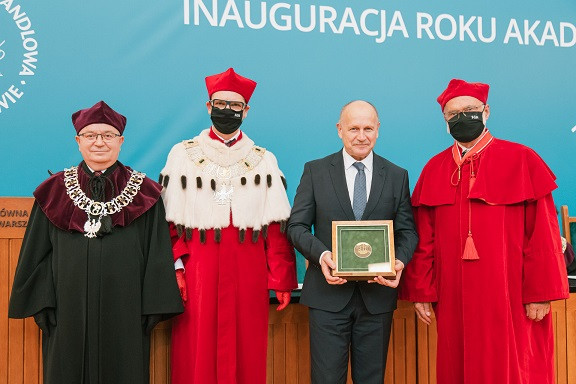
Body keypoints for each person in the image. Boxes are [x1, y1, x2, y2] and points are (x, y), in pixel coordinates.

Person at [399, 79, 569, 384]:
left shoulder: (522, 159)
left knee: (513, 368)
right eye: (453, 114)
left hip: (511, 296)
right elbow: (424, 240)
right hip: (453, 298)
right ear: (445, 121)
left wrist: (540, 293)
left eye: (470, 110)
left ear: (486, 111)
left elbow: (542, 233)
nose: (461, 117)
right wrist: (421, 292)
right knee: (457, 367)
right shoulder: (434, 169)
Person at [8, 100, 184, 384]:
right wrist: (43, 303)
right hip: (66, 310)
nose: (99, 142)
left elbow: (157, 253)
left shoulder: (146, 193)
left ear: (121, 141)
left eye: (108, 135)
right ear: (78, 141)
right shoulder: (53, 192)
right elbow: (36, 253)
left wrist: (152, 307)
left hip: (126, 310)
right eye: (91, 135)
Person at [160, 67, 297, 384]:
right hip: (199, 268)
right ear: (208, 107)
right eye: (219, 104)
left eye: (235, 106)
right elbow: (166, 221)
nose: (227, 111)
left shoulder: (263, 159)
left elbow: (276, 225)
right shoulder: (182, 155)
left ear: (246, 111)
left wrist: (282, 278)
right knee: (196, 351)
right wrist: (177, 268)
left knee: (246, 350)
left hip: (247, 268)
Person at [287, 100, 418, 384]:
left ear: (378, 130)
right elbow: (296, 226)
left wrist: (400, 261)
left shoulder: (397, 176)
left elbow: (407, 232)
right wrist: (322, 256)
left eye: (368, 128)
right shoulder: (316, 171)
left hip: (378, 298)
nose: (361, 136)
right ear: (340, 130)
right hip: (327, 297)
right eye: (354, 128)